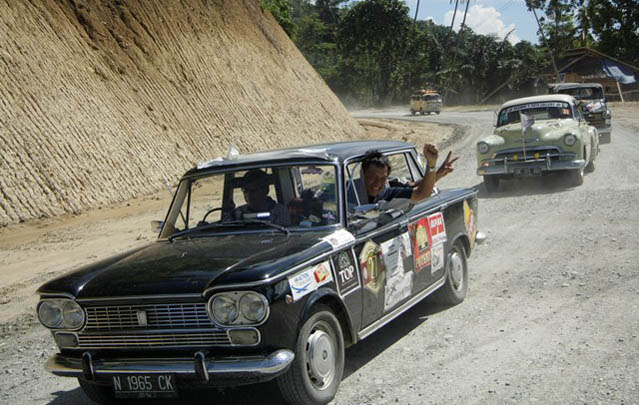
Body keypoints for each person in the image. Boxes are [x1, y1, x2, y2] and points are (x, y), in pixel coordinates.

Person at [358, 144, 457, 204]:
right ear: (363, 175)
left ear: (386, 179)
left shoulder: (387, 195)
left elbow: (420, 192)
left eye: (383, 178)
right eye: (372, 177)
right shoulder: (346, 194)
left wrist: (432, 166)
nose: (377, 183)